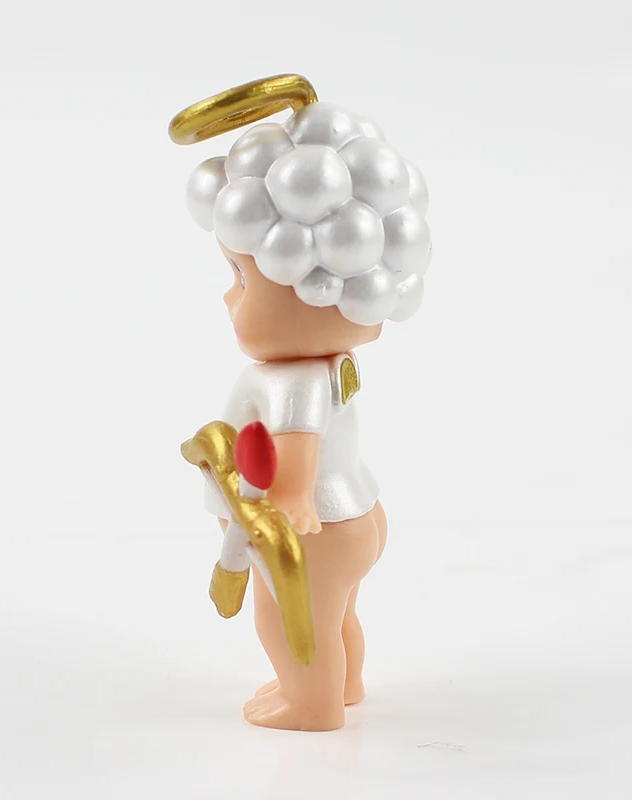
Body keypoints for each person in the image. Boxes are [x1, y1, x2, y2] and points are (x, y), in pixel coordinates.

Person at [177, 84, 432, 730]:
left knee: (286, 620)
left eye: (241, 278)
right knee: (336, 615)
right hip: (356, 514)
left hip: (311, 528)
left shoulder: (290, 381)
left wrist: (289, 499)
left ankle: (311, 702)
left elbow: (297, 442)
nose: (228, 297)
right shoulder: (332, 365)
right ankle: (344, 683)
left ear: (310, 290)